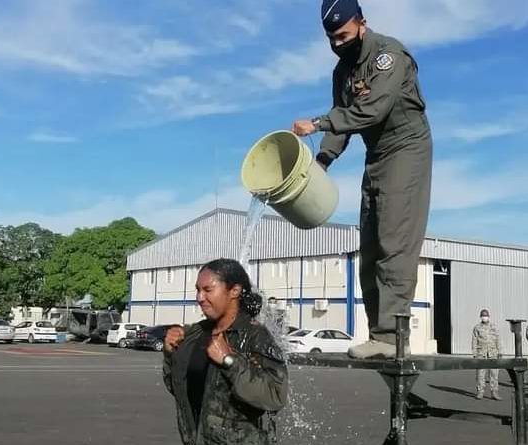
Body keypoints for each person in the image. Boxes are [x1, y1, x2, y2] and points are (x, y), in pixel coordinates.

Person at [291, 0, 433, 359]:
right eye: (330, 38)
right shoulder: (342, 73)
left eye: (342, 35)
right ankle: (380, 339)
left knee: (393, 243)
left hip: (406, 149)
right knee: (369, 252)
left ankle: (389, 338)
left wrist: (318, 123)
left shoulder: (389, 55)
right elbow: (345, 121)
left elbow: (372, 109)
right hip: (376, 156)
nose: (337, 44)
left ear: (362, 23)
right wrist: (320, 162)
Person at [162, 259, 288, 445]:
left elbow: (275, 396)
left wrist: (229, 360)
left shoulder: (255, 335)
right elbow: (177, 387)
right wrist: (170, 354)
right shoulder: (195, 334)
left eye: (208, 290)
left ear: (234, 291)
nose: (199, 297)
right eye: (198, 289)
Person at [472, 309, 502, 400]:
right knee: (481, 374)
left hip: (493, 353)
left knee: (494, 374)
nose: (484, 317)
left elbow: (498, 339)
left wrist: (500, 352)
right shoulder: (477, 328)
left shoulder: (494, 327)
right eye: (483, 315)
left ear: (488, 316)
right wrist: (474, 353)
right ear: (480, 317)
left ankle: (494, 392)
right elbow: (474, 341)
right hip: (481, 354)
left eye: (486, 315)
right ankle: (480, 392)